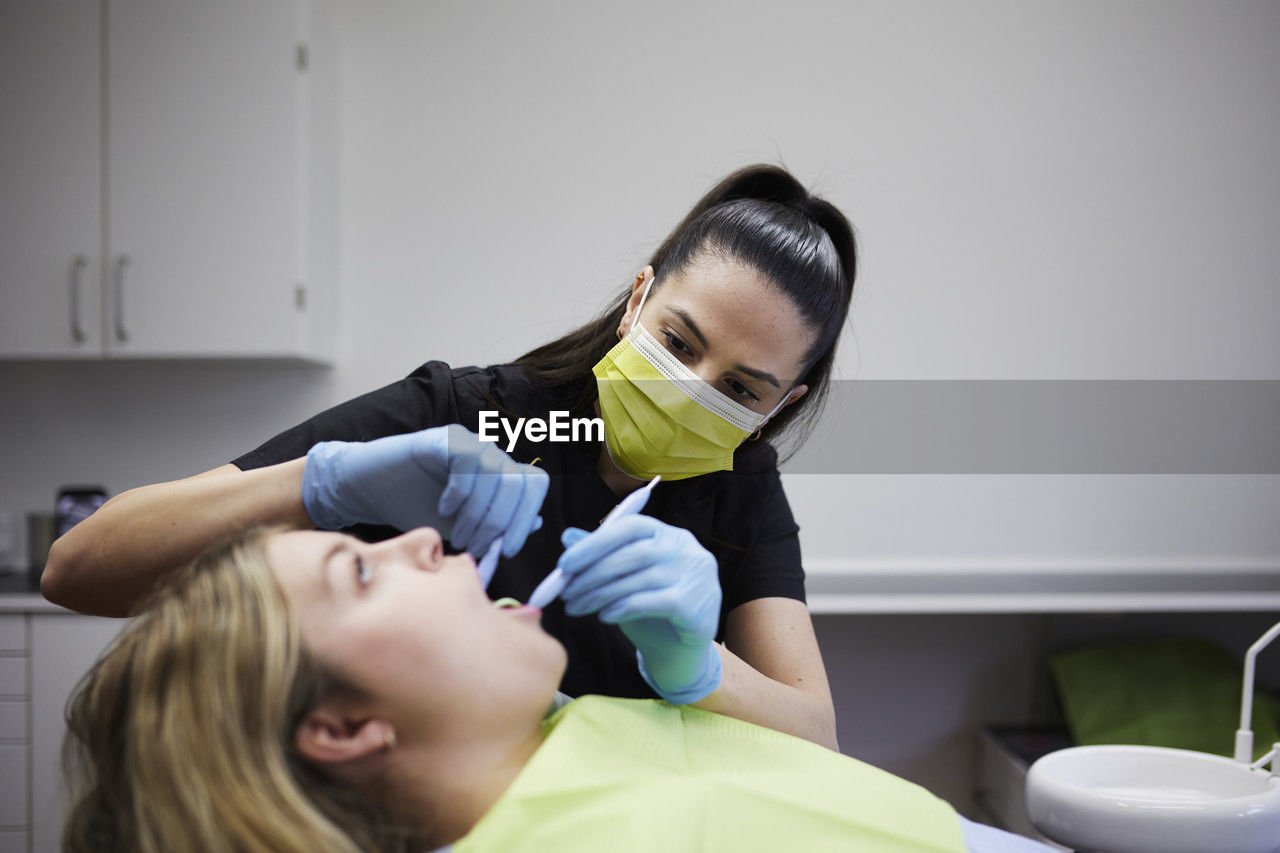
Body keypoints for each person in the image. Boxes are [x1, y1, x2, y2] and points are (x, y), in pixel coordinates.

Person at [44, 164, 856, 748]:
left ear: (781, 404)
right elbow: (76, 569)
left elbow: (812, 730)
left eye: (742, 389)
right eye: (677, 341)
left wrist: (696, 667)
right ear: (637, 300)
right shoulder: (461, 418)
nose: (689, 387)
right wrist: (326, 482)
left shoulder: (740, 485)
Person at [63, 526, 1053, 852]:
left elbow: (817, 776)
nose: (416, 538)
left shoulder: (560, 728)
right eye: (360, 572)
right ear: (346, 724)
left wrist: (701, 669)